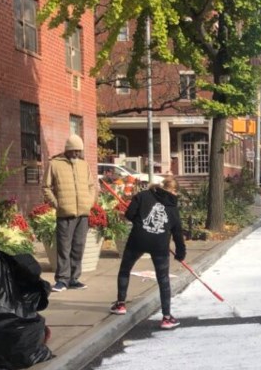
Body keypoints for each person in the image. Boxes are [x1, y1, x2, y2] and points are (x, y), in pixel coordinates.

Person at [110, 177, 187, 330]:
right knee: (163, 279)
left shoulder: (143, 195)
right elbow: (177, 231)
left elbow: (129, 214)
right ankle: (166, 317)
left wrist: (140, 219)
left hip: (138, 239)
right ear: (173, 190)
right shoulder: (172, 206)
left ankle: (120, 304)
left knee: (125, 270)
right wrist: (180, 251)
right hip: (160, 244)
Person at [43, 134, 96, 293]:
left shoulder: (83, 164)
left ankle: (74, 279)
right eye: (73, 151)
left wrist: (89, 202)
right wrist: (56, 204)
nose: (76, 154)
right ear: (67, 150)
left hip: (83, 213)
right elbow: (46, 187)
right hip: (65, 214)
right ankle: (62, 280)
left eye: (79, 151)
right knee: (64, 248)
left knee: (78, 247)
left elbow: (92, 185)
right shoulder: (54, 164)